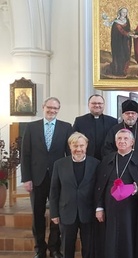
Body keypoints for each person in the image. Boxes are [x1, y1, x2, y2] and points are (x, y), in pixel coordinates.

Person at [21, 97, 73, 258]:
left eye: (56, 108)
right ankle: (40, 249)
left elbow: (68, 155)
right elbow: (25, 154)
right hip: (37, 178)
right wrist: (26, 178)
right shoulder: (31, 127)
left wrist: (68, 178)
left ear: (59, 109)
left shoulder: (66, 127)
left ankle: (54, 248)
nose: (52, 111)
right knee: (38, 214)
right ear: (43, 107)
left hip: (57, 178)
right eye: (49, 107)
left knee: (56, 214)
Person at [95, 129, 138, 258]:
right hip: (110, 206)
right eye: (119, 139)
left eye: (125, 139)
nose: (122, 141)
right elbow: (100, 186)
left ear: (132, 142)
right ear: (115, 141)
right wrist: (99, 207)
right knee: (111, 237)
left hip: (131, 208)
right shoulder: (107, 160)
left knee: (129, 236)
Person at [49, 132, 99, 258]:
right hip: (66, 211)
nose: (78, 149)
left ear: (86, 146)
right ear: (70, 146)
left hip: (88, 212)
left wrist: (99, 208)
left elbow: (98, 191)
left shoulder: (96, 164)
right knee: (67, 247)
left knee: (89, 247)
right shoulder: (59, 164)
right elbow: (54, 190)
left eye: (81, 145)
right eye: (75, 145)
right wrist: (54, 213)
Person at [73, 94, 118, 160]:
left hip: (107, 160)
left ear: (104, 105)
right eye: (94, 103)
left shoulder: (112, 121)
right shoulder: (80, 121)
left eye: (99, 103)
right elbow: (74, 140)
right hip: (86, 159)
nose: (97, 105)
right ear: (89, 105)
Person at [109, 7, 132, 76]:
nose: (124, 14)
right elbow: (115, 34)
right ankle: (118, 71)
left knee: (126, 55)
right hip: (118, 44)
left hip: (126, 42)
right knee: (119, 56)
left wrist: (130, 34)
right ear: (120, 13)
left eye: (126, 12)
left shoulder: (127, 21)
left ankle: (124, 70)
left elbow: (128, 30)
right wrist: (126, 34)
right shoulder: (116, 22)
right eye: (123, 12)